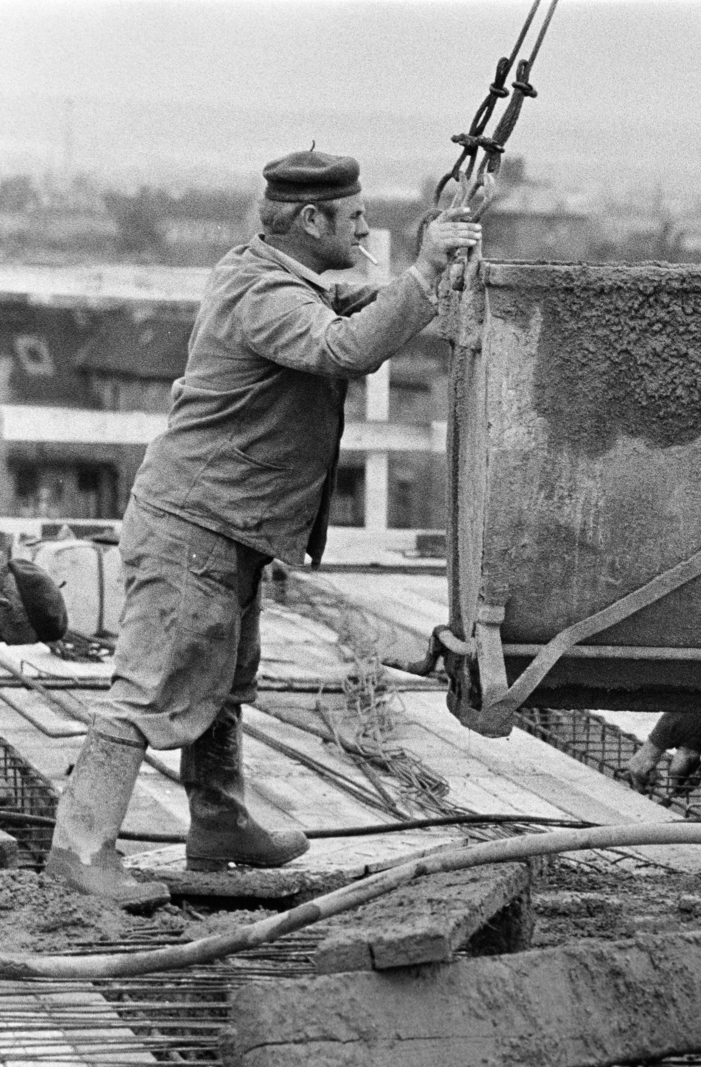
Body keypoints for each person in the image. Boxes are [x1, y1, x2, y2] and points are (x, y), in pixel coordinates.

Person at [44, 149, 482, 908]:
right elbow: (344, 346)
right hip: (196, 522)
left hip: (227, 523)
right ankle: (80, 847)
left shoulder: (278, 273)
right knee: (152, 686)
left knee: (224, 678)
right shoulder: (262, 293)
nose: (365, 226)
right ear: (311, 221)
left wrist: (428, 256)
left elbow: (352, 300)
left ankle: (219, 818)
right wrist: (419, 275)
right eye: (354, 218)